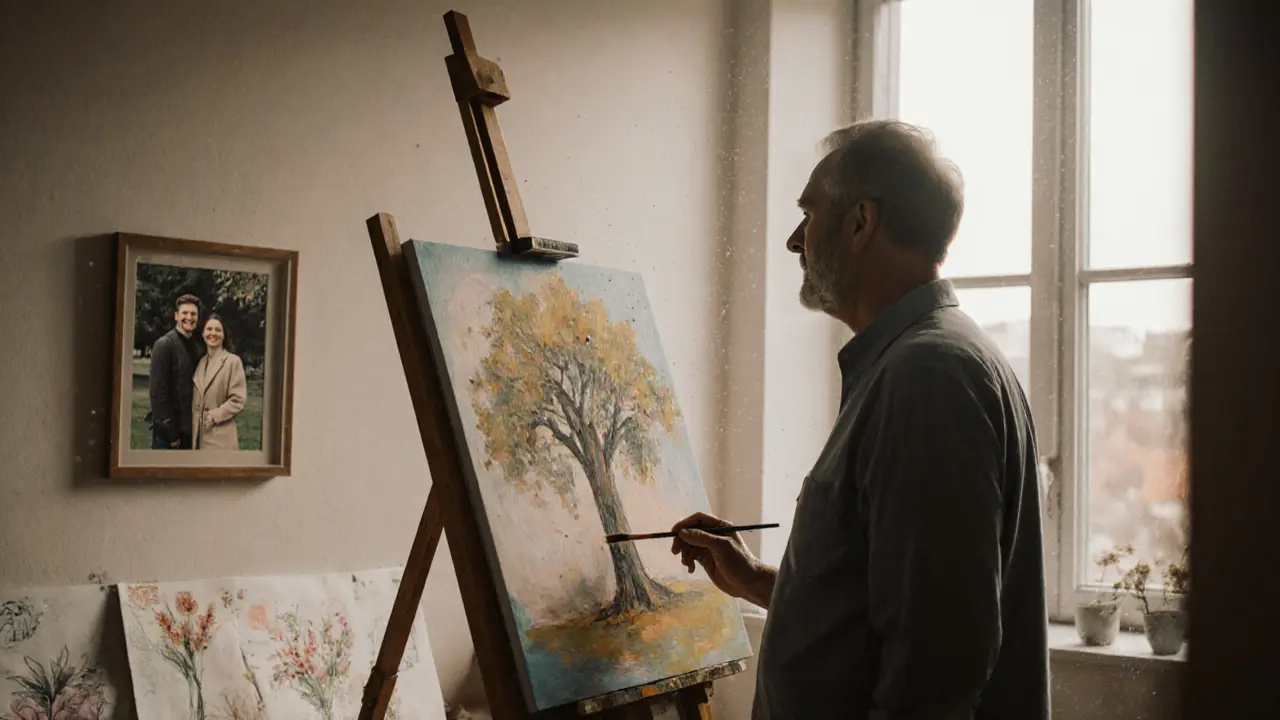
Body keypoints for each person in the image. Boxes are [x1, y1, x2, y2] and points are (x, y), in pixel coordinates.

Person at [670, 120, 1050, 719]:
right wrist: (757, 581)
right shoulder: (915, 362)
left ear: (860, 222)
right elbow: (887, 601)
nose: (794, 241)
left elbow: (936, 667)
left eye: (808, 214)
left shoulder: (929, 378)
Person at [148, 292, 204, 449]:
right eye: (185, 313)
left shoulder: (196, 347)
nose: (189, 317)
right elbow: (158, 393)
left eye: (193, 314)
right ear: (176, 316)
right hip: (169, 435)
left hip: (189, 429)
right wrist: (170, 433)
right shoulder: (164, 345)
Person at [191, 313, 247, 451]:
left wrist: (214, 416)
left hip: (221, 438)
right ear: (203, 334)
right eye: (209, 329)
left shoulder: (233, 362)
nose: (213, 333)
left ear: (224, 335)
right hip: (199, 438)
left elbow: (238, 399)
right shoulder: (201, 362)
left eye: (218, 330)